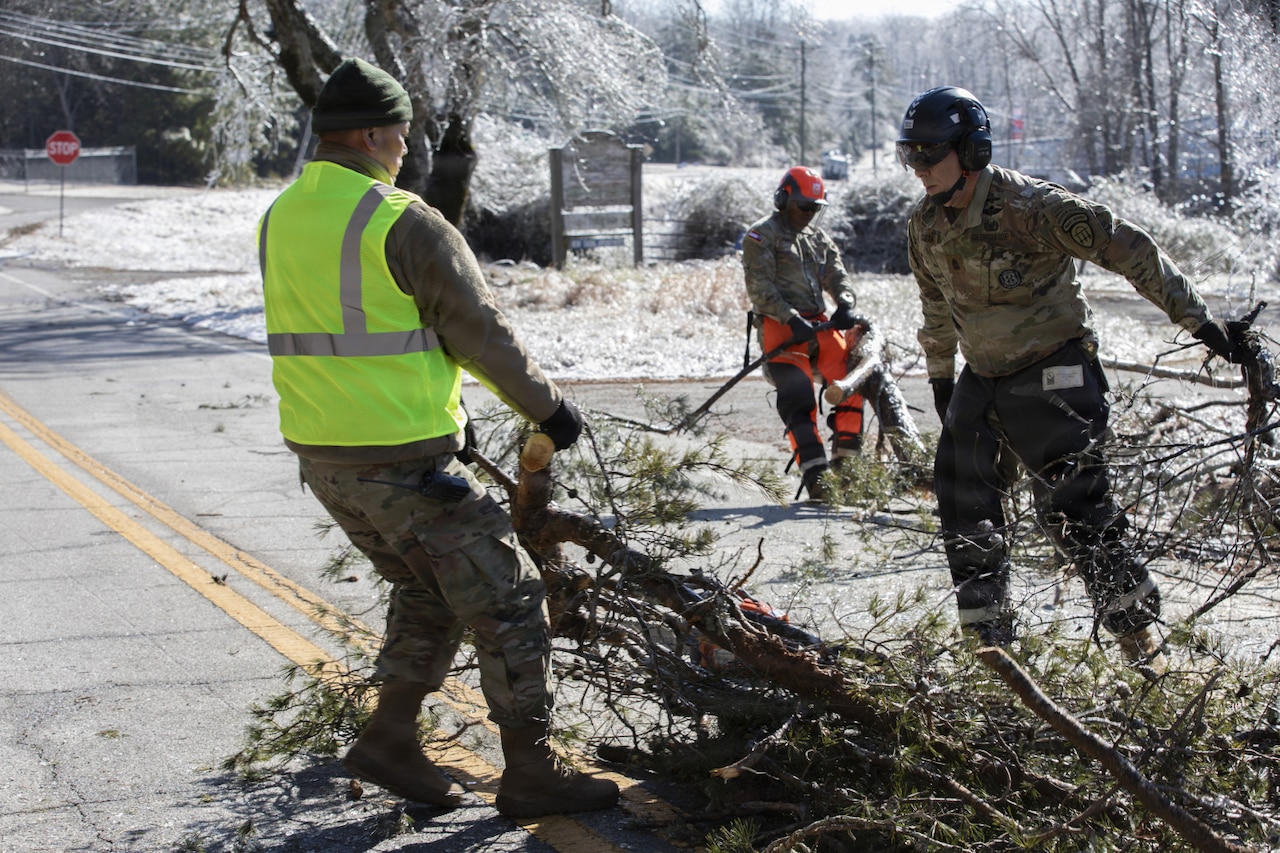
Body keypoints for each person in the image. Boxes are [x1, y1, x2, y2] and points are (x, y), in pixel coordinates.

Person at [257, 57, 618, 817]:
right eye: (400, 132)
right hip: (405, 463)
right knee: (512, 597)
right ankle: (531, 771)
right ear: (368, 132)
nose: (405, 146)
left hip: (326, 462)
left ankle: (388, 739)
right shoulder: (401, 218)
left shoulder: (281, 215)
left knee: (433, 588)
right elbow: (479, 334)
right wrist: (551, 411)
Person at [897, 86, 1249, 670]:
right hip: (982, 377)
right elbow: (934, 302)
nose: (920, 170)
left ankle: (1144, 651)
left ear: (972, 150)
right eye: (911, 157)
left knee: (1071, 510)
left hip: (1053, 372)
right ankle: (993, 656)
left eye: (930, 155)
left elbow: (1132, 249)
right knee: (964, 508)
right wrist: (941, 376)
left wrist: (1201, 323)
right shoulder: (925, 223)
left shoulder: (1031, 206)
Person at [742, 166, 865, 502]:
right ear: (783, 200)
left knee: (852, 385)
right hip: (781, 327)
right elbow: (760, 288)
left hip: (820, 325)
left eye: (815, 208)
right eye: (804, 207)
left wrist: (845, 303)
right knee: (798, 397)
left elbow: (838, 276)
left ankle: (848, 473)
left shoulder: (817, 239)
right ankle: (819, 480)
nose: (809, 214)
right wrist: (790, 316)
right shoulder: (760, 236)